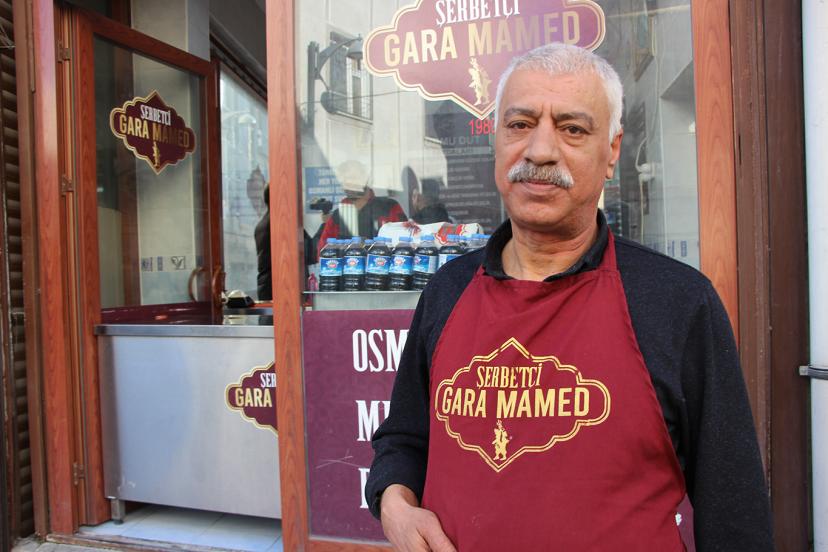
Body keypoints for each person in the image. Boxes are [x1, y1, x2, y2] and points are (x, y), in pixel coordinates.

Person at [365, 43, 773, 551]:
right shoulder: (448, 290)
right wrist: (394, 505)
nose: (540, 151)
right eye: (519, 124)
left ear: (613, 151)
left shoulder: (677, 303)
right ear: (497, 140)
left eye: (572, 129)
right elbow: (403, 438)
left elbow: (734, 514)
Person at [317, 160, 407, 250]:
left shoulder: (389, 207)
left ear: (366, 179)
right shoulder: (338, 216)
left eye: (354, 177)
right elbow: (323, 251)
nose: (349, 182)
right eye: (344, 180)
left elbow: (405, 244)